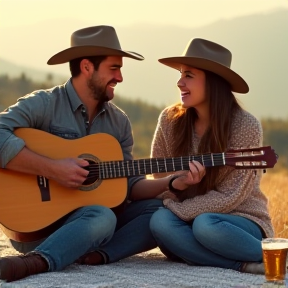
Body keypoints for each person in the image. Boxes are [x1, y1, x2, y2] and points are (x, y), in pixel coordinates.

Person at [0, 25, 179, 282]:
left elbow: (128, 186)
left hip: (92, 225)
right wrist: (52, 168)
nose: (120, 77)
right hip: (37, 227)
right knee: (102, 215)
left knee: (160, 209)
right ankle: (39, 260)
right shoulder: (45, 103)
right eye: (114, 68)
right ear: (86, 67)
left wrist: (171, 182)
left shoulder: (119, 123)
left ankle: (96, 254)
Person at [149, 38, 274, 275]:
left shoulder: (245, 125)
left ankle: (267, 254)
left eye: (189, 75)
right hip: (186, 217)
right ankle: (242, 264)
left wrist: (178, 210)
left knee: (205, 226)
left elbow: (231, 195)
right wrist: (178, 184)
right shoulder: (169, 120)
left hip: (239, 220)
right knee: (159, 223)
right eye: (180, 74)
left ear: (213, 82)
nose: (179, 82)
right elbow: (161, 177)